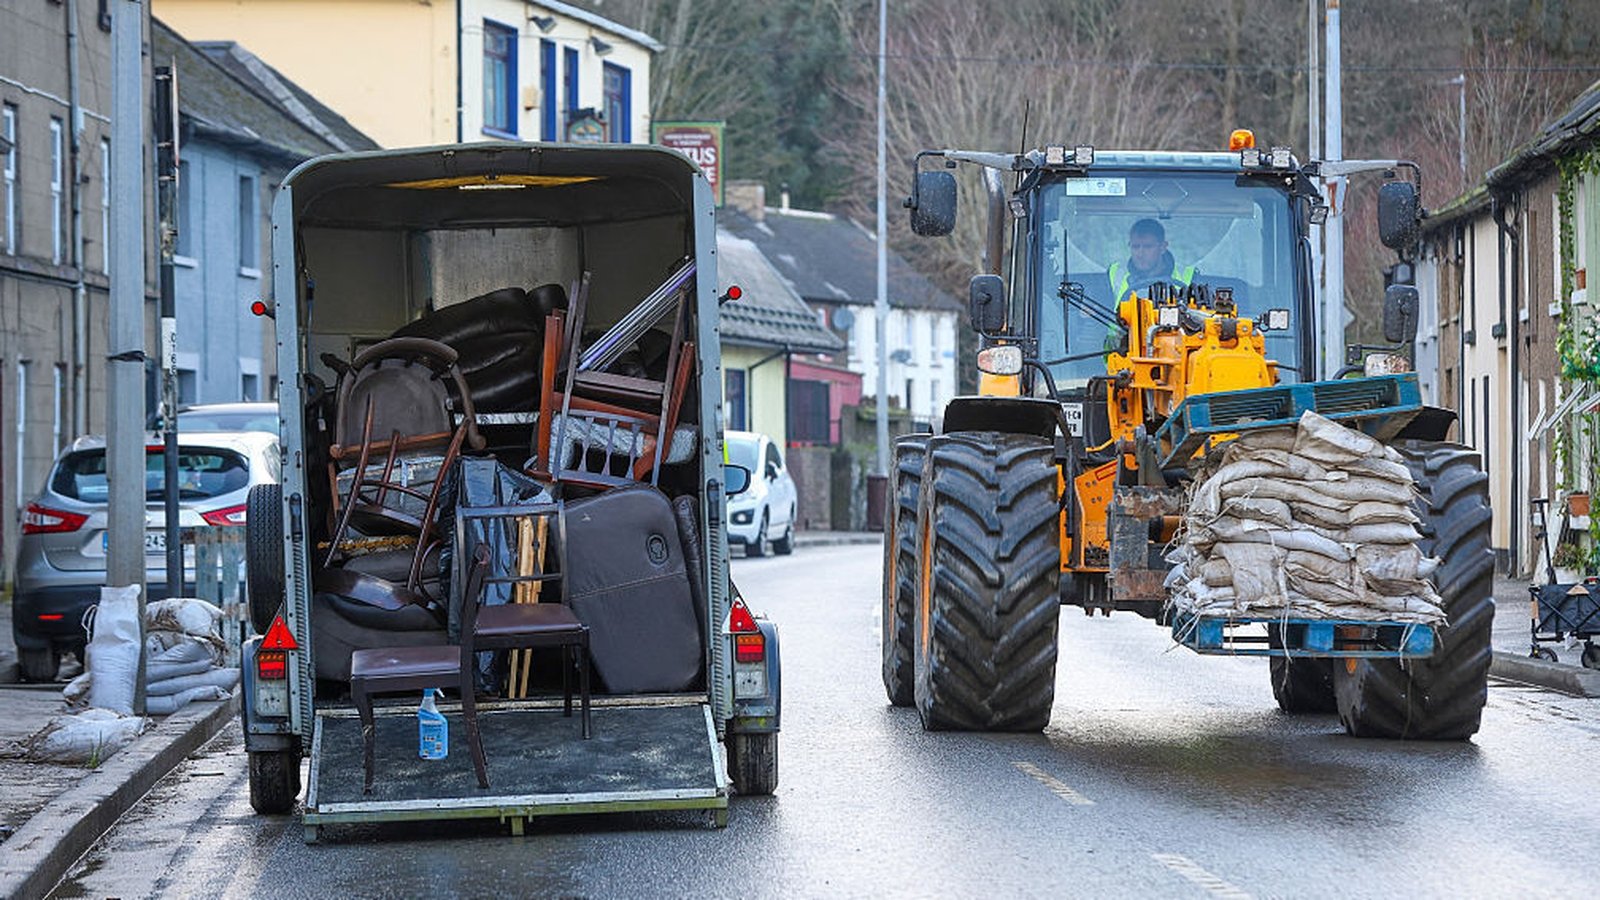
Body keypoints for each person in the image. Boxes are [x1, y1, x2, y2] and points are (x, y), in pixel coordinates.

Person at [1107, 218, 1195, 304]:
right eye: (1135, 247)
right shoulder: (1114, 276)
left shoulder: (1189, 278)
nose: (1140, 254)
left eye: (1148, 247)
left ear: (1163, 247)